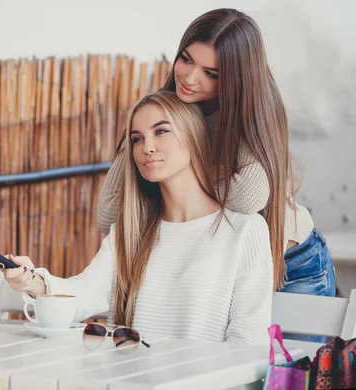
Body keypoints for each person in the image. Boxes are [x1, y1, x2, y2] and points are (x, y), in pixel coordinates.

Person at [0, 91, 273, 345]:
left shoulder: (245, 229)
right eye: (137, 138)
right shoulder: (131, 231)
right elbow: (88, 292)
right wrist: (34, 281)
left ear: (194, 136)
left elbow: (248, 340)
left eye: (161, 131)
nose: (146, 147)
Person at [96, 8, 335, 301]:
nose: (190, 78)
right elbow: (108, 215)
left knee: (294, 350)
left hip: (292, 263)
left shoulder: (252, 110)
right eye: (186, 59)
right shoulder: (164, 111)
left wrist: (177, 168)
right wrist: (153, 146)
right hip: (229, 271)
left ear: (235, 78)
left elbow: (248, 197)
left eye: (210, 74)